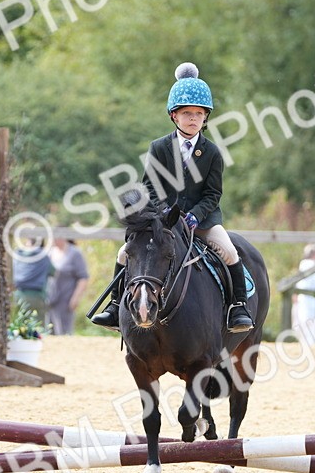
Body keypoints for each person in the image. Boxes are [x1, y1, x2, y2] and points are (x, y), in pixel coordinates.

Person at [90, 61, 254, 333]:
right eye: (187, 113)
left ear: (206, 117)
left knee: (229, 252)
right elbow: (149, 187)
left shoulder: (212, 152)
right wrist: (164, 213)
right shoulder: (159, 148)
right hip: (163, 220)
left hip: (201, 220)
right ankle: (115, 305)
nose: (193, 118)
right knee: (124, 253)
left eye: (199, 114)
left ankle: (238, 307)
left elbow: (213, 194)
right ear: (174, 116)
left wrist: (195, 216)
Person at [46, 238, 89, 334]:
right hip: (50, 299)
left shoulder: (74, 253)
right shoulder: (50, 252)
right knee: (49, 333)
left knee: (64, 333)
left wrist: (75, 298)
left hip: (66, 300)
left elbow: (83, 278)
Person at [292, 242, 315, 344]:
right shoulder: (310, 264)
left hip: (311, 299)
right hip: (308, 300)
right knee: (308, 322)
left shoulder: (310, 264)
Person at [12, 238, 53, 323]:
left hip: (19, 294)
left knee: (19, 325)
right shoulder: (43, 256)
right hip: (37, 295)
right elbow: (53, 271)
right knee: (37, 326)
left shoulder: (18, 254)